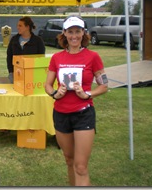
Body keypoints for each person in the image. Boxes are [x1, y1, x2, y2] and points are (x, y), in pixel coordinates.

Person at [44, 16, 108, 186]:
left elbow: (104, 86)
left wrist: (87, 94)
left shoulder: (93, 56)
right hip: (61, 114)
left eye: (77, 31)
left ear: (83, 33)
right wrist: (55, 94)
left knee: (80, 166)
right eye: (70, 31)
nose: (74, 35)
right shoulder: (56, 58)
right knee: (69, 160)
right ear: (64, 33)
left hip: (83, 114)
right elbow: (48, 85)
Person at [6, 16, 45, 83]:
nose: (18, 27)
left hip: (32, 75)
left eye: (20, 26)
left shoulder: (38, 40)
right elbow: (9, 56)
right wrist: (11, 72)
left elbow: (41, 58)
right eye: (17, 25)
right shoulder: (14, 39)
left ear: (27, 27)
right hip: (16, 74)